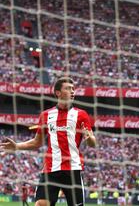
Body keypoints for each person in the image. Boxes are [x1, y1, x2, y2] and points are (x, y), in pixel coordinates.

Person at [0, 77, 96, 206]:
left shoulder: (81, 114)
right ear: (58, 93)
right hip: (51, 168)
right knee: (41, 204)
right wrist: (17, 146)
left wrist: (89, 138)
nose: (72, 91)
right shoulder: (46, 115)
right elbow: (37, 142)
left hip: (73, 169)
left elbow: (92, 143)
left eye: (73, 89)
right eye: (68, 88)